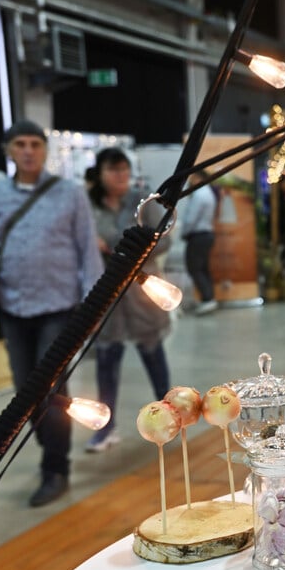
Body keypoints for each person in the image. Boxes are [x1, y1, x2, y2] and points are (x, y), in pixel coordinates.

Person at [0, 120, 103, 507]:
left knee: (50, 390)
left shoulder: (70, 194)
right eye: (20, 144)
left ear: (45, 151)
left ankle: (55, 468)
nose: (28, 150)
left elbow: (87, 251)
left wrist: (94, 305)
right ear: (9, 150)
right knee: (24, 394)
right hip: (13, 307)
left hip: (59, 309)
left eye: (35, 144)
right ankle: (52, 443)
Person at [85, 148, 171, 452]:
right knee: (107, 361)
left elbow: (164, 239)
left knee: (153, 354)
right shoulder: (89, 206)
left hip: (142, 292)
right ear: (101, 173)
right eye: (113, 170)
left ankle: (171, 418)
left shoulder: (144, 203)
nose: (121, 176)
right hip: (107, 295)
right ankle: (105, 428)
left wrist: (117, 248)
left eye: (124, 170)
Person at [179, 170, 218, 314]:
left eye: (192, 178)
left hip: (198, 235)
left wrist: (183, 233)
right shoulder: (208, 192)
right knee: (203, 268)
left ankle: (208, 299)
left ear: (198, 178)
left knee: (195, 268)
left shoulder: (200, 194)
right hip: (206, 235)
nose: (190, 181)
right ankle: (208, 298)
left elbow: (191, 218)